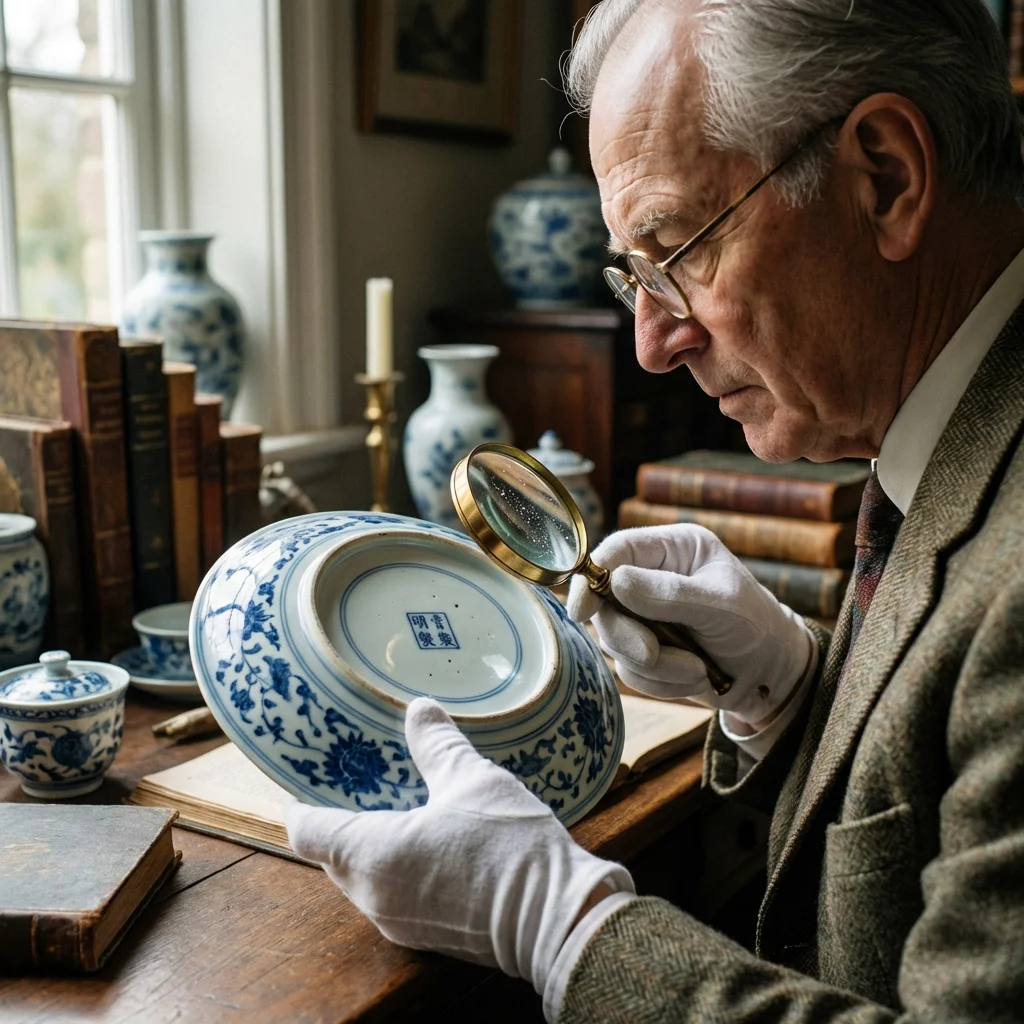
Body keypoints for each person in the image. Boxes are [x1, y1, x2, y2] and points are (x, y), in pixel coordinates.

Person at [287, 0, 1024, 1019]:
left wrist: (562, 926)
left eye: (674, 250)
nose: (649, 340)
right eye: (630, 272)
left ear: (885, 178)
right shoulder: (940, 428)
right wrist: (796, 692)